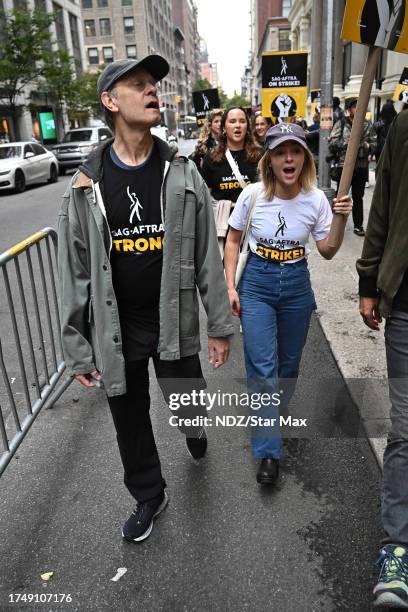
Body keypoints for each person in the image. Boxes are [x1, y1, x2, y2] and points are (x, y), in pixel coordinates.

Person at [57, 55, 234, 544]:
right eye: (138, 84)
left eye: (153, 83)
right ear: (111, 101)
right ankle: (148, 494)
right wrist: (76, 346)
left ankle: (194, 430)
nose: (152, 89)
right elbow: (73, 271)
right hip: (117, 326)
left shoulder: (180, 171)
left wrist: (219, 325)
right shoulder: (85, 184)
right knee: (128, 416)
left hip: (173, 318)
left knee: (187, 402)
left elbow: (205, 254)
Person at [224, 123, 352, 485]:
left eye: (295, 151)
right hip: (258, 284)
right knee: (263, 369)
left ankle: (272, 412)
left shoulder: (316, 199)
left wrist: (341, 217)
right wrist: (230, 286)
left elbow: (328, 251)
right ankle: (268, 451)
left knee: (289, 365)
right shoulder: (251, 195)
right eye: (280, 152)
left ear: (304, 157)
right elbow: (233, 241)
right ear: (270, 159)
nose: (288, 158)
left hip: (297, 283)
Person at [357, 109, 408, 610]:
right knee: (405, 429)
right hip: (407, 300)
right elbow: (384, 207)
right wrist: (369, 278)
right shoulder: (405, 125)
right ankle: (397, 550)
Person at [201, 106, 262, 255]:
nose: (237, 125)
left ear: (247, 126)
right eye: (232, 121)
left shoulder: (260, 156)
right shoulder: (211, 159)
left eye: (242, 121)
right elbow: (205, 198)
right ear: (223, 127)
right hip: (223, 228)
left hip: (254, 227)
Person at [329, 96, 376, 237]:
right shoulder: (341, 123)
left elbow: (374, 143)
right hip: (344, 165)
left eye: (359, 106)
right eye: (354, 106)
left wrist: (366, 146)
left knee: (358, 196)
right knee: (340, 195)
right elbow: (332, 142)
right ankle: (335, 225)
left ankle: (358, 225)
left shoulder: (367, 125)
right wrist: (347, 144)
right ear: (349, 109)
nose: (357, 109)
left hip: (361, 166)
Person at [190, 108, 223, 172]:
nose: (220, 124)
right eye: (216, 121)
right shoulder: (203, 145)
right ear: (210, 125)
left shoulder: (228, 141)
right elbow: (194, 166)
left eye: (221, 121)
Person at [373, 100, 397, 165]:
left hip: (380, 150)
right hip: (392, 151)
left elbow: (373, 140)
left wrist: (371, 153)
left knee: (379, 168)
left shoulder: (377, 125)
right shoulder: (396, 124)